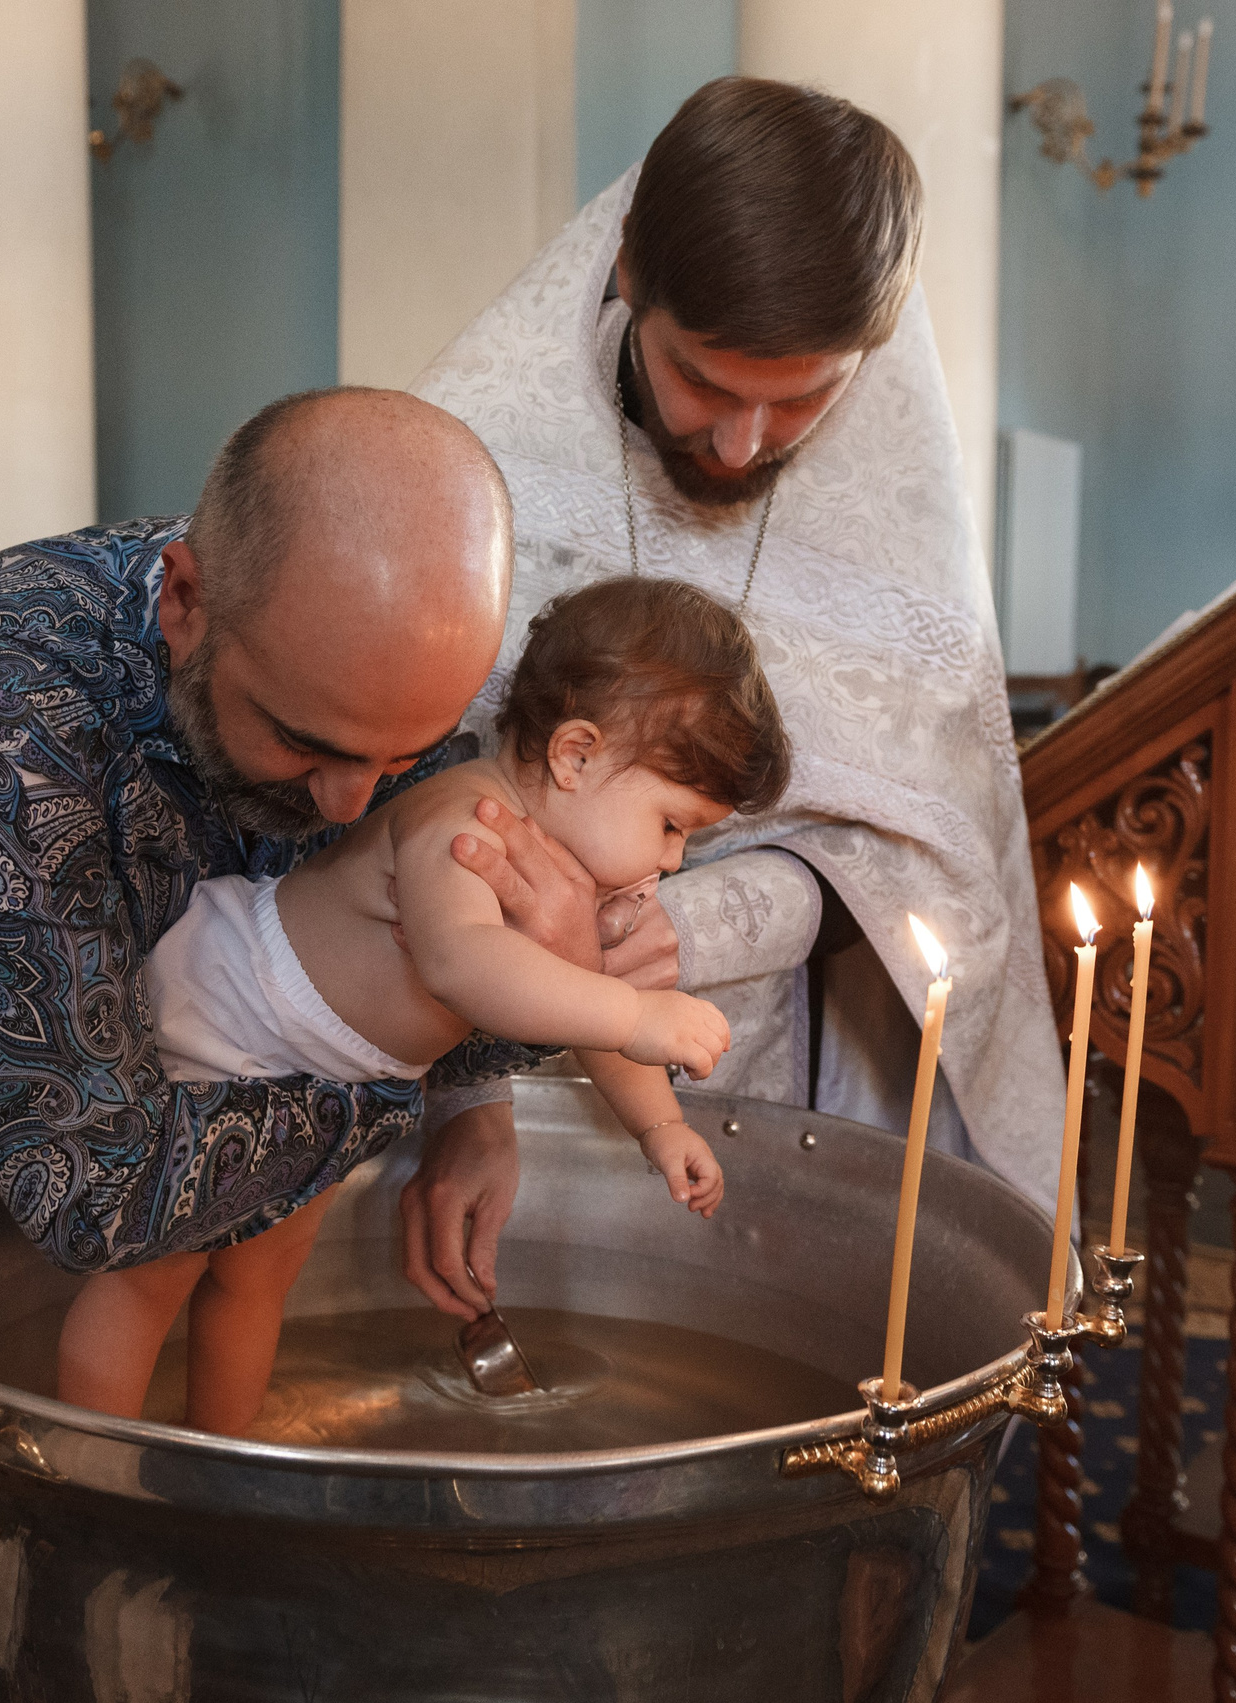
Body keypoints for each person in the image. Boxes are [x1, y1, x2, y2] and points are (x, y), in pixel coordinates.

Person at [0, 387, 625, 1702]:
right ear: (184, 597)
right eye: (306, 741)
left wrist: (479, 1094)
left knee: (58, 1639)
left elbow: (408, 869)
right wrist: (435, 1053)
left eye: (408, 751)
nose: (353, 801)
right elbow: (103, 1194)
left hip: (132, 1164)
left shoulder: (342, 655)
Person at [403, 77, 1069, 1313]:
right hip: (465, 1057)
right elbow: (385, 804)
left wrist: (713, 923)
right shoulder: (469, 458)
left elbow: (934, 867)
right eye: (704, 380)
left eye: (807, 395)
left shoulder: (895, 525)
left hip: (756, 1076)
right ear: (625, 285)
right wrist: (467, 1093)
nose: (744, 444)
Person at [58, 576, 783, 1427]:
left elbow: (587, 1002)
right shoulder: (461, 821)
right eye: (672, 823)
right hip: (225, 1022)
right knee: (153, 1274)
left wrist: (660, 1127)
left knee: (259, 1276)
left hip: (318, 1077)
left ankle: (228, 1465)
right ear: (575, 755)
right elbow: (462, 963)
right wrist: (637, 1016)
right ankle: (83, 1473)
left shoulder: (571, 877)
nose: (673, 858)